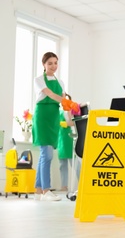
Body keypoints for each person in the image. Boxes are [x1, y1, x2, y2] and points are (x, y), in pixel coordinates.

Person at [32, 52, 79, 201]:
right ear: (44, 65)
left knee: (44, 155)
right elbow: (50, 94)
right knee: (47, 155)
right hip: (42, 117)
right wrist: (66, 102)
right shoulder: (39, 80)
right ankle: (47, 190)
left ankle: (38, 190)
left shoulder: (61, 82)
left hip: (53, 118)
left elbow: (63, 101)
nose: (53, 66)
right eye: (50, 63)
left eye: (55, 63)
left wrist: (73, 108)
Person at [57, 94, 80, 192]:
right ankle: (64, 186)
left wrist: (66, 123)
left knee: (74, 163)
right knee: (62, 164)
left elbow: (74, 122)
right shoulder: (59, 112)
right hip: (61, 139)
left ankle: (83, 182)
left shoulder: (70, 111)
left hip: (69, 138)